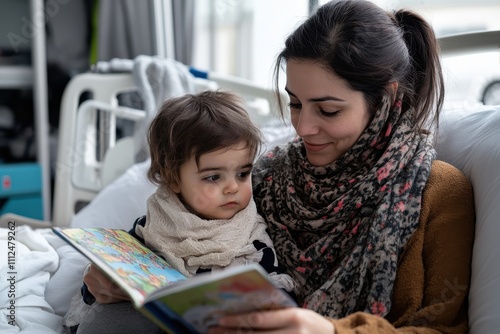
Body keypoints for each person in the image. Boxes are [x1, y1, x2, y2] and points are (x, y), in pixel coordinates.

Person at [82, 1, 475, 333]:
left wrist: (328, 330)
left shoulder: (438, 193)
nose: (303, 128)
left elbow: (442, 329)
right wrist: (117, 276)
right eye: (295, 103)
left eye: (328, 109)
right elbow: (177, 229)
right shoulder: (269, 177)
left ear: (386, 99)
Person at [71, 90, 294, 334]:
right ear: (173, 178)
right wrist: (105, 284)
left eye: (243, 174)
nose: (233, 187)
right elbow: (98, 287)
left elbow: (278, 295)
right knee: (106, 319)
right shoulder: (151, 227)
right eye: (213, 177)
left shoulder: (253, 238)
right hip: (154, 323)